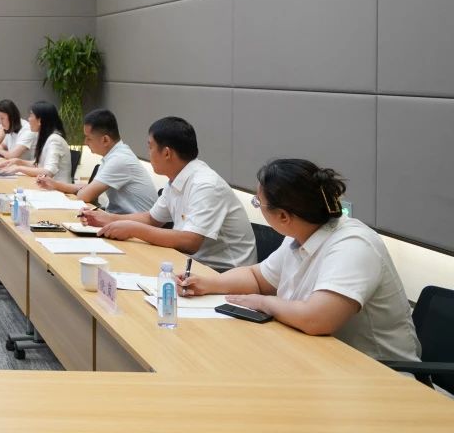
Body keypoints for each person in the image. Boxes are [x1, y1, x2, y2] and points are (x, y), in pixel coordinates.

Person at [179, 160, 419, 362]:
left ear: (284, 216)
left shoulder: (354, 245)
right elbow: (257, 277)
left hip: (380, 374)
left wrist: (263, 303)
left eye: (258, 203)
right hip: (320, 358)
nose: (257, 207)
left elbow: (317, 319)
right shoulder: (300, 234)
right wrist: (208, 284)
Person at [80, 117, 256, 272]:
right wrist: (108, 219)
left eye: (150, 147)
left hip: (224, 273)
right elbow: (152, 218)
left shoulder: (205, 184)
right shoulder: (177, 179)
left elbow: (190, 242)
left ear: (166, 153)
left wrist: (132, 229)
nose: (148, 153)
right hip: (192, 265)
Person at [37, 109, 156, 214]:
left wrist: (59, 186)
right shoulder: (114, 154)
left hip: (135, 226)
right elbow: (89, 188)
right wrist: (55, 184)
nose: (85, 142)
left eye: (89, 138)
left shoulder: (119, 159)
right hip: (122, 220)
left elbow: (84, 195)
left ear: (105, 140)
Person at [0, 101, 72, 183]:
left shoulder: (55, 140)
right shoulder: (46, 137)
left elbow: (48, 172)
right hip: (45, 185)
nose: (28, 119)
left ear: (40, 120)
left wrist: (19, 168)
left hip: (57, 189)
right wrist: (17, 161)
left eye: (31, 116)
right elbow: (39, 164)